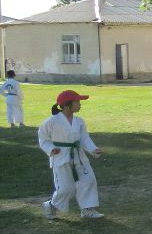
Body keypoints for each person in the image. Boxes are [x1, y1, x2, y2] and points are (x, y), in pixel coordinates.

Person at [39, 90, 105, 219]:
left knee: (89, 180)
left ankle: (87, 209)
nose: (80, 104)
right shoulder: (52, 121)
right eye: (77, 102)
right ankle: (51, 205)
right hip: (61, 157)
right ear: (67, 104)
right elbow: (43, 138)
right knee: (66, 188)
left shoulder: (79, 121)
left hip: (79, 156)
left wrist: (93, 149)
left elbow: (84, 138)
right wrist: (51, 149)